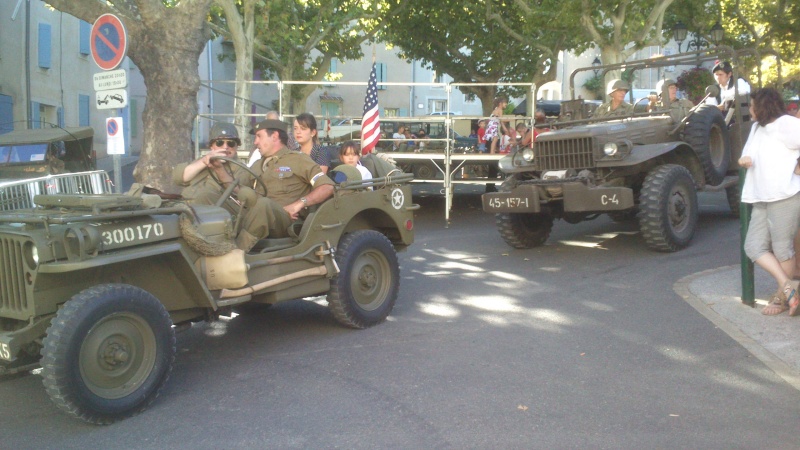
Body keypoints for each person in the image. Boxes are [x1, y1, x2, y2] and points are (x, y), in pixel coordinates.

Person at [214, 119, 335, 252]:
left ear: (275, 136)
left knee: (263, 204)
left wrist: (299, 204)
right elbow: (237, 189)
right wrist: (219, 168)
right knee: (209, 196)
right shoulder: (257, 165)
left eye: (259, 136)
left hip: (283, 221)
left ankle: (236, 253)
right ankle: (205, 248)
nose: (255, 142)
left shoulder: (298, 160)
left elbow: (327, 187)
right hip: (254, 215)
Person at [738, 88, 800, 316]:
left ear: (762, 106)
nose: (750, 110)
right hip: (760, 196)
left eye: (752, 105)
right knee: (753, 246)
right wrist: (746, 159)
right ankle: (788, 286)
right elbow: (749, 153)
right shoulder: (756, 128)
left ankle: (783, 298)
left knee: (783, 249)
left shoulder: (786, 124)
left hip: (785, 196)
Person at [173, 122, 244, 213]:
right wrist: (203, 162)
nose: (225, 147)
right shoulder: (202, 162)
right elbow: (179, 178)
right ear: (211, 146)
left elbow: (240, 193)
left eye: (231, 143)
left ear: (236, 146)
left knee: (204, 195)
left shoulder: (241, 169)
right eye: (219, 143)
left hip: (217, 216)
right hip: (186, 210)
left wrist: (219, 168)